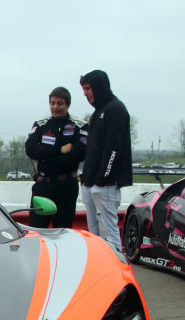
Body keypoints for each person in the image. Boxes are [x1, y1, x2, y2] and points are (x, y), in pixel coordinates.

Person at [78, 70, 132, 247]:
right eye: (83, 89)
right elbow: (92, 150)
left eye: (88, 88)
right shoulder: (97, 113)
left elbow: (114, 149)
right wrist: (86, 179)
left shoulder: (115, 109)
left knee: (109, 232)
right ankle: (97, 266)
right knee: (95, 235)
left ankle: (114, 267)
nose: (85, 93)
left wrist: (102, 180)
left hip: (105, 185)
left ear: (98, 87)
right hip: (90, 183)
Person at [24, 87, 87, 228]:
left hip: (67, 187)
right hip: (42, 186)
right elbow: (31, 150)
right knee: (37, 232)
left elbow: (78, 155)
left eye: (60, 103)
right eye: (52, 103)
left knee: (63, 232)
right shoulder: (41, 124)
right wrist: (60, 150)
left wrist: (45, 157)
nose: (55, 107)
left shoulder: (80, 126)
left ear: (68, 105)